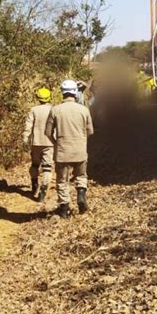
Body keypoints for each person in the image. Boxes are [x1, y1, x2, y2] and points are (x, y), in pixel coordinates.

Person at [45, 79, 94, 218]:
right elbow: (90, 131)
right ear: (75, 93)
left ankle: (64, 209)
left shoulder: (55, 110)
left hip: (62, 151)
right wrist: (81, 140)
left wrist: (56, 143)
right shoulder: (83, 110)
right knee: (81, 176)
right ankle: (81, 194)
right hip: (80, 150)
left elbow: (48, 132)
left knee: (62, 180)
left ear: (62, 92)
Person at [22, 87, 54, 202]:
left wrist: (25, 139)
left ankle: (34, 183)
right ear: (49, 97)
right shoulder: (53, 109)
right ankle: (43, 190)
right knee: (47, 167)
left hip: (36, 142)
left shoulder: (33, 110)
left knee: (35, 164)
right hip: (50, 143)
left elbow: (28, 125)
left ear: (38, 97)